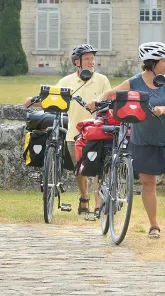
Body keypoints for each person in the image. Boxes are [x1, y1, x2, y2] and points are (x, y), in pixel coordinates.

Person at [97, 42, 165, 239]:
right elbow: (113, 93)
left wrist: (164, 109)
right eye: (164, 60)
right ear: (153, 63)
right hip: (143, 140)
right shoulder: (135, 82)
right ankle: (154, 226)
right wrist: (98, 98)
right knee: (148, 183)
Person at [24, 44, 112, 216]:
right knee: (80, 169)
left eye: (92, 58)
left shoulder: (102, 80)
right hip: (74, 133)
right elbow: (51, 99)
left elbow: (109, 99)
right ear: (77, 62)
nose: (91, 62)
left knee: (97, 169)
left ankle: (98, 204)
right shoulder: (67, 81)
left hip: (97, 132)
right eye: (87, 59)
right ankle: (84, 197)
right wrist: (33, 101)